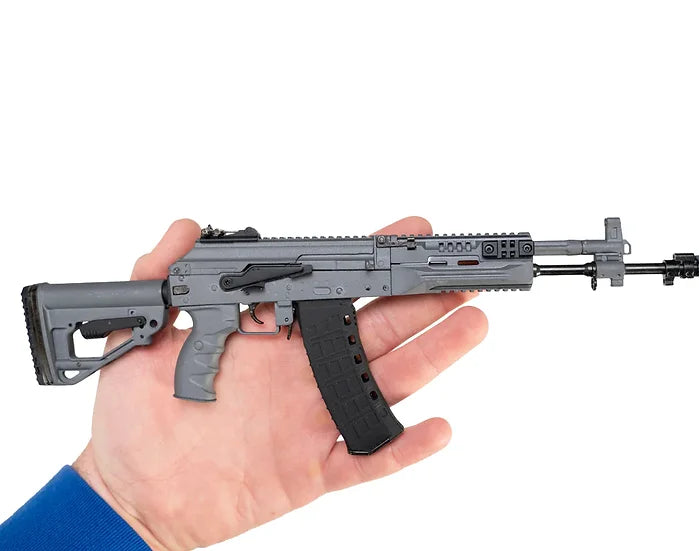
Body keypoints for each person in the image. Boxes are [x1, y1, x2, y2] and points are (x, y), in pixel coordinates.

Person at [0, 217, 488, 551]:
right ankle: (193, 392)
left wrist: (125, 508)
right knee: (212, 333)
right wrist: (119, 499)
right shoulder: (216, 287)